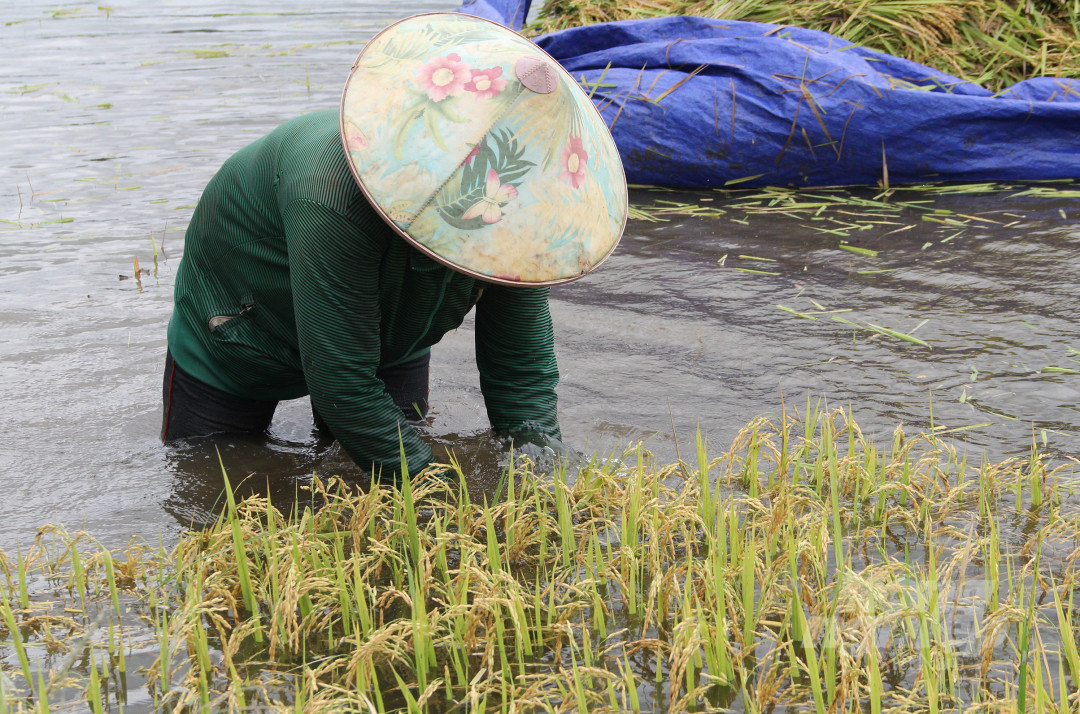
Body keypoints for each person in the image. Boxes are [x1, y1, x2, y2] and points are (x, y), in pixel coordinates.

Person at [161, 12, 627, 480]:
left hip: (394, 332)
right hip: (240, 329)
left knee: (374, 468)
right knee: (214, 480)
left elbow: (520, 369)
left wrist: (541, 473)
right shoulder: (329, 192)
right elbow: (341, 383)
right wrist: (440, 497)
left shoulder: (518, 217)